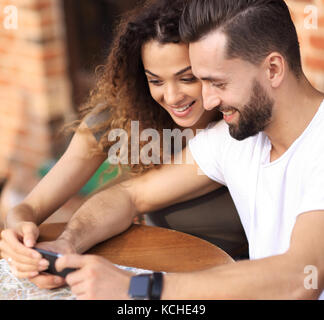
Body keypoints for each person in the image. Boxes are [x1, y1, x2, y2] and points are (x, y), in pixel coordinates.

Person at [55, 0, 323, 299]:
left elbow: (300, 279)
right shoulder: (236, 138)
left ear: (272, 69)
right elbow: (130, 195)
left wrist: (138, 288)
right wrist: (67, 244)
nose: (208, 102)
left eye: (218, 83)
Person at [0, 0, 247, 290]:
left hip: (234, 279)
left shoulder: (241, 126)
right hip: (156, 274)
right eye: (156, 81)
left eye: (187, 78)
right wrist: (18, 232)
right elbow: (31, 205)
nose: (172, 96)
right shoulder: (124, 116)